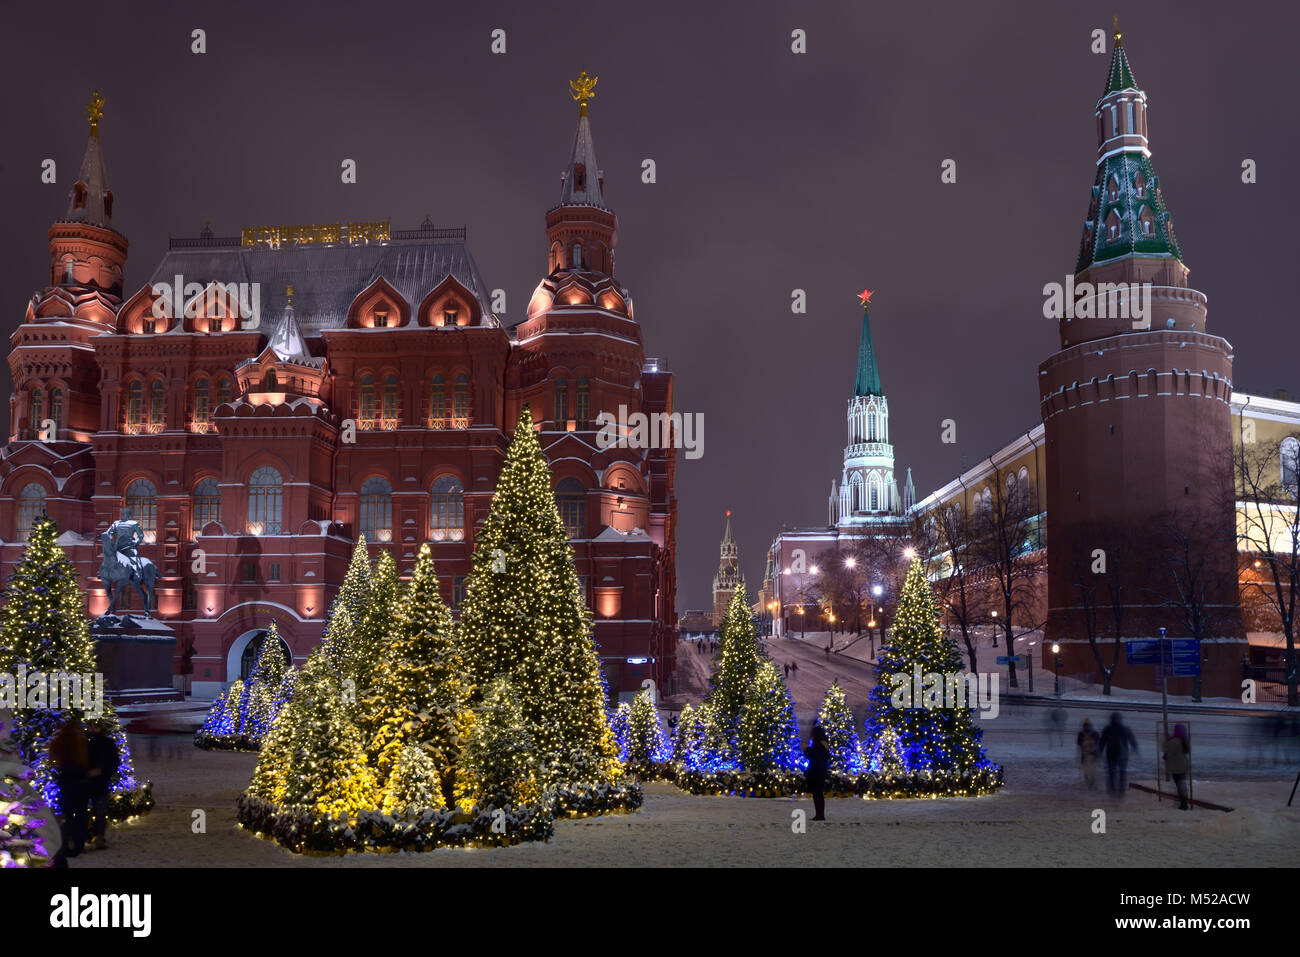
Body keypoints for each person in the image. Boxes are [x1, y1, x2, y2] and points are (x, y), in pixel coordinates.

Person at [48, 716, 90, 862]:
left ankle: (66, 843)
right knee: (81, 814)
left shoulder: (60, 739)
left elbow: (52, 757)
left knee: (67, 815)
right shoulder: (82, 740)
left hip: (65, 778)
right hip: (80, 779)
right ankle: (79, 843)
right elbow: (86, 758)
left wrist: (57, 764)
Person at [86, 718, 121, 849]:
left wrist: (102, 772)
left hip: (98, 783)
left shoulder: (106, 743)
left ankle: (98, 838)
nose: (92, 729)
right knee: (93, 812)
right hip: (87, 783)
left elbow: (114, 762)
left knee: (99, 812)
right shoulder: (85, 742)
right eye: (90, 726)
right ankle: (91, 837)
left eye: (95, 726)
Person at [1097, 712, 1138, 798]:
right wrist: (1134, 749)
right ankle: (1121, 791)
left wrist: (1099, 752)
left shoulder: (1107, 728)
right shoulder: (1125, 728)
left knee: (1112, 772)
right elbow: (1132, 740)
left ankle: (1112, 790)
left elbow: (1102, 742)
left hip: (1111, 754)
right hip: (1123, 754)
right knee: (1122, 772)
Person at [804, 725, 830, 821]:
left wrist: (806, 749)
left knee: (817, 793)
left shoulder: (819, 745)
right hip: (820, 770)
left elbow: (814, 756)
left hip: (816, 771)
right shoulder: (823, 744)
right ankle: (819, 814)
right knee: (818, 793)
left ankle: (819, 815)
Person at [1163, 723, 1191, 810]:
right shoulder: (1185, 740)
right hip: (1184, 765)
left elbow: (1166, 750)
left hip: (1176, 767)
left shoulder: (1173, 741)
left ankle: (1184, 804)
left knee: (1179, 785)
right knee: (1181, 783)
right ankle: (1184, 803)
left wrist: (1166, 739)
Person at [1076, 718, 1099, 789]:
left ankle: (1089, 784)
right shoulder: (1095, 733)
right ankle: (1092, 783)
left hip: (1085, 754)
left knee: (1085, 771)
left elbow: (1078, 743)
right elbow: (1098, 743)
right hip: (1094, 754)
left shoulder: (1081, 733)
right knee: (1092, 770)